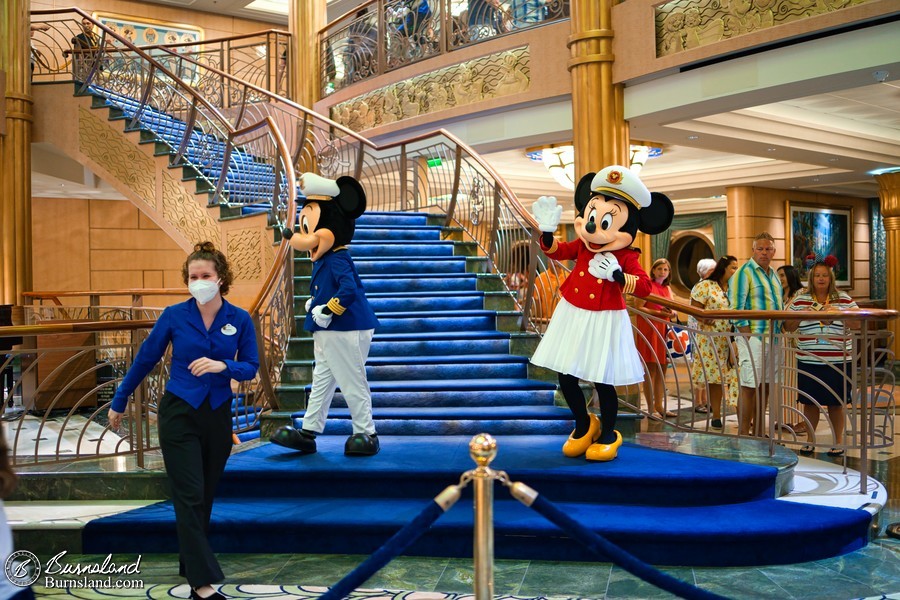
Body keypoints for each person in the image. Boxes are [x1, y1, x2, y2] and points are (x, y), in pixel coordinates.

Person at [108, 242, 259, 600]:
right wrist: (120, 399)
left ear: (220, 278)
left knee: (204, 495)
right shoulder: (175, 316)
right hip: (178, 412)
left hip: (218, 414)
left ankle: (189, 564)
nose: (198, 281)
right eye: (193, 276)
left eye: (205, 275)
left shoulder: (238, 319)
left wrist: (225, 366)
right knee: (189, 493)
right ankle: (202, 585)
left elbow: (251, 366)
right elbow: (145, 359)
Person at [530, 166, 674, 461]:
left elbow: (645, 285)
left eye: (606, 221)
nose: (595, 228)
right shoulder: (583, 246)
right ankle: (584, 423)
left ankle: (609, 433)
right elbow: (559, 250)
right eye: (593, 217)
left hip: (605, 318)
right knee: (566, 375)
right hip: (573, 313)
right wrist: (546, 233)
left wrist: (620, 276)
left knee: (602, 379)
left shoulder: (627, 255)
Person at [783, 254, 858, 457]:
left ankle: (838, 442)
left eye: (825, 275)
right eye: (817, 275)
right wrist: (802, 314)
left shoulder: (843, 298)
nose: (821, 279)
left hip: (838, 361)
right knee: (810, 403)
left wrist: (840, 313)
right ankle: (810, 440)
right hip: (809, 359)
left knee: (836, 403)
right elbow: (787, 326)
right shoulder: (800, 298)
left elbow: (858, 324)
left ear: (831, 277)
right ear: (811, 277)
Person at [728, 232, 783, 436]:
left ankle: (759, 431)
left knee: (766, 386)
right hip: (754, 338)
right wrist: (747, 335)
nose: (764, 252)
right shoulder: (744, 273)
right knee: (749, 385)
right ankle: (744, 433)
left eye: (768, 249)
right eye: (760, 249)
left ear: (774, 251)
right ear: (753, 250)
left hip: (773, 337)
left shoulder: (773, 274)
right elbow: (735, 308)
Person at [690, 256, 739, 429]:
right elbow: (694, 307)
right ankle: (716, 414)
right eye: (732, 268)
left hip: (732, 337)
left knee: (735, 375)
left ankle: (742, 415)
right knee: (715, 377)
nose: (735, 271)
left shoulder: (735, 288)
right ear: (723, 268)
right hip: (711, 338)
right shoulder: (705, 285)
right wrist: (703, 318)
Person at [634, 258, 678, 419]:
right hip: (649, 329)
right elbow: (639, 307)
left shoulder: (667, 288)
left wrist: (673, 313)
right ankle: (650, 407)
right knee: (650, 370)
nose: (662, 272)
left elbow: (673, 307)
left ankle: (660, 405)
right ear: (653, 270)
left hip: (663, 328)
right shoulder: (648, 285)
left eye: (665, 269)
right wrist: (660, 314)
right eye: (659, 269)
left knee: (662, 369)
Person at [777, 264, 805, 432]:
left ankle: (801, 420)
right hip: (781, 343)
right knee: (782, 382)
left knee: (795, 382)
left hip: (795, 343)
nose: (779, 279)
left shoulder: (800, 294)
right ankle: (785, 419)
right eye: (778, 276)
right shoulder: (779, 296)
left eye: (782, 275)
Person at [688, 258, 717, 414]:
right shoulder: (700, 287)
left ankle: (706, 400)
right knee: (699, 367)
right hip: (699, 330)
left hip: (709, 331)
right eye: (712, 271)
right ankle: (698, 401)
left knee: (708, 367)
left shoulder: (712, 286)